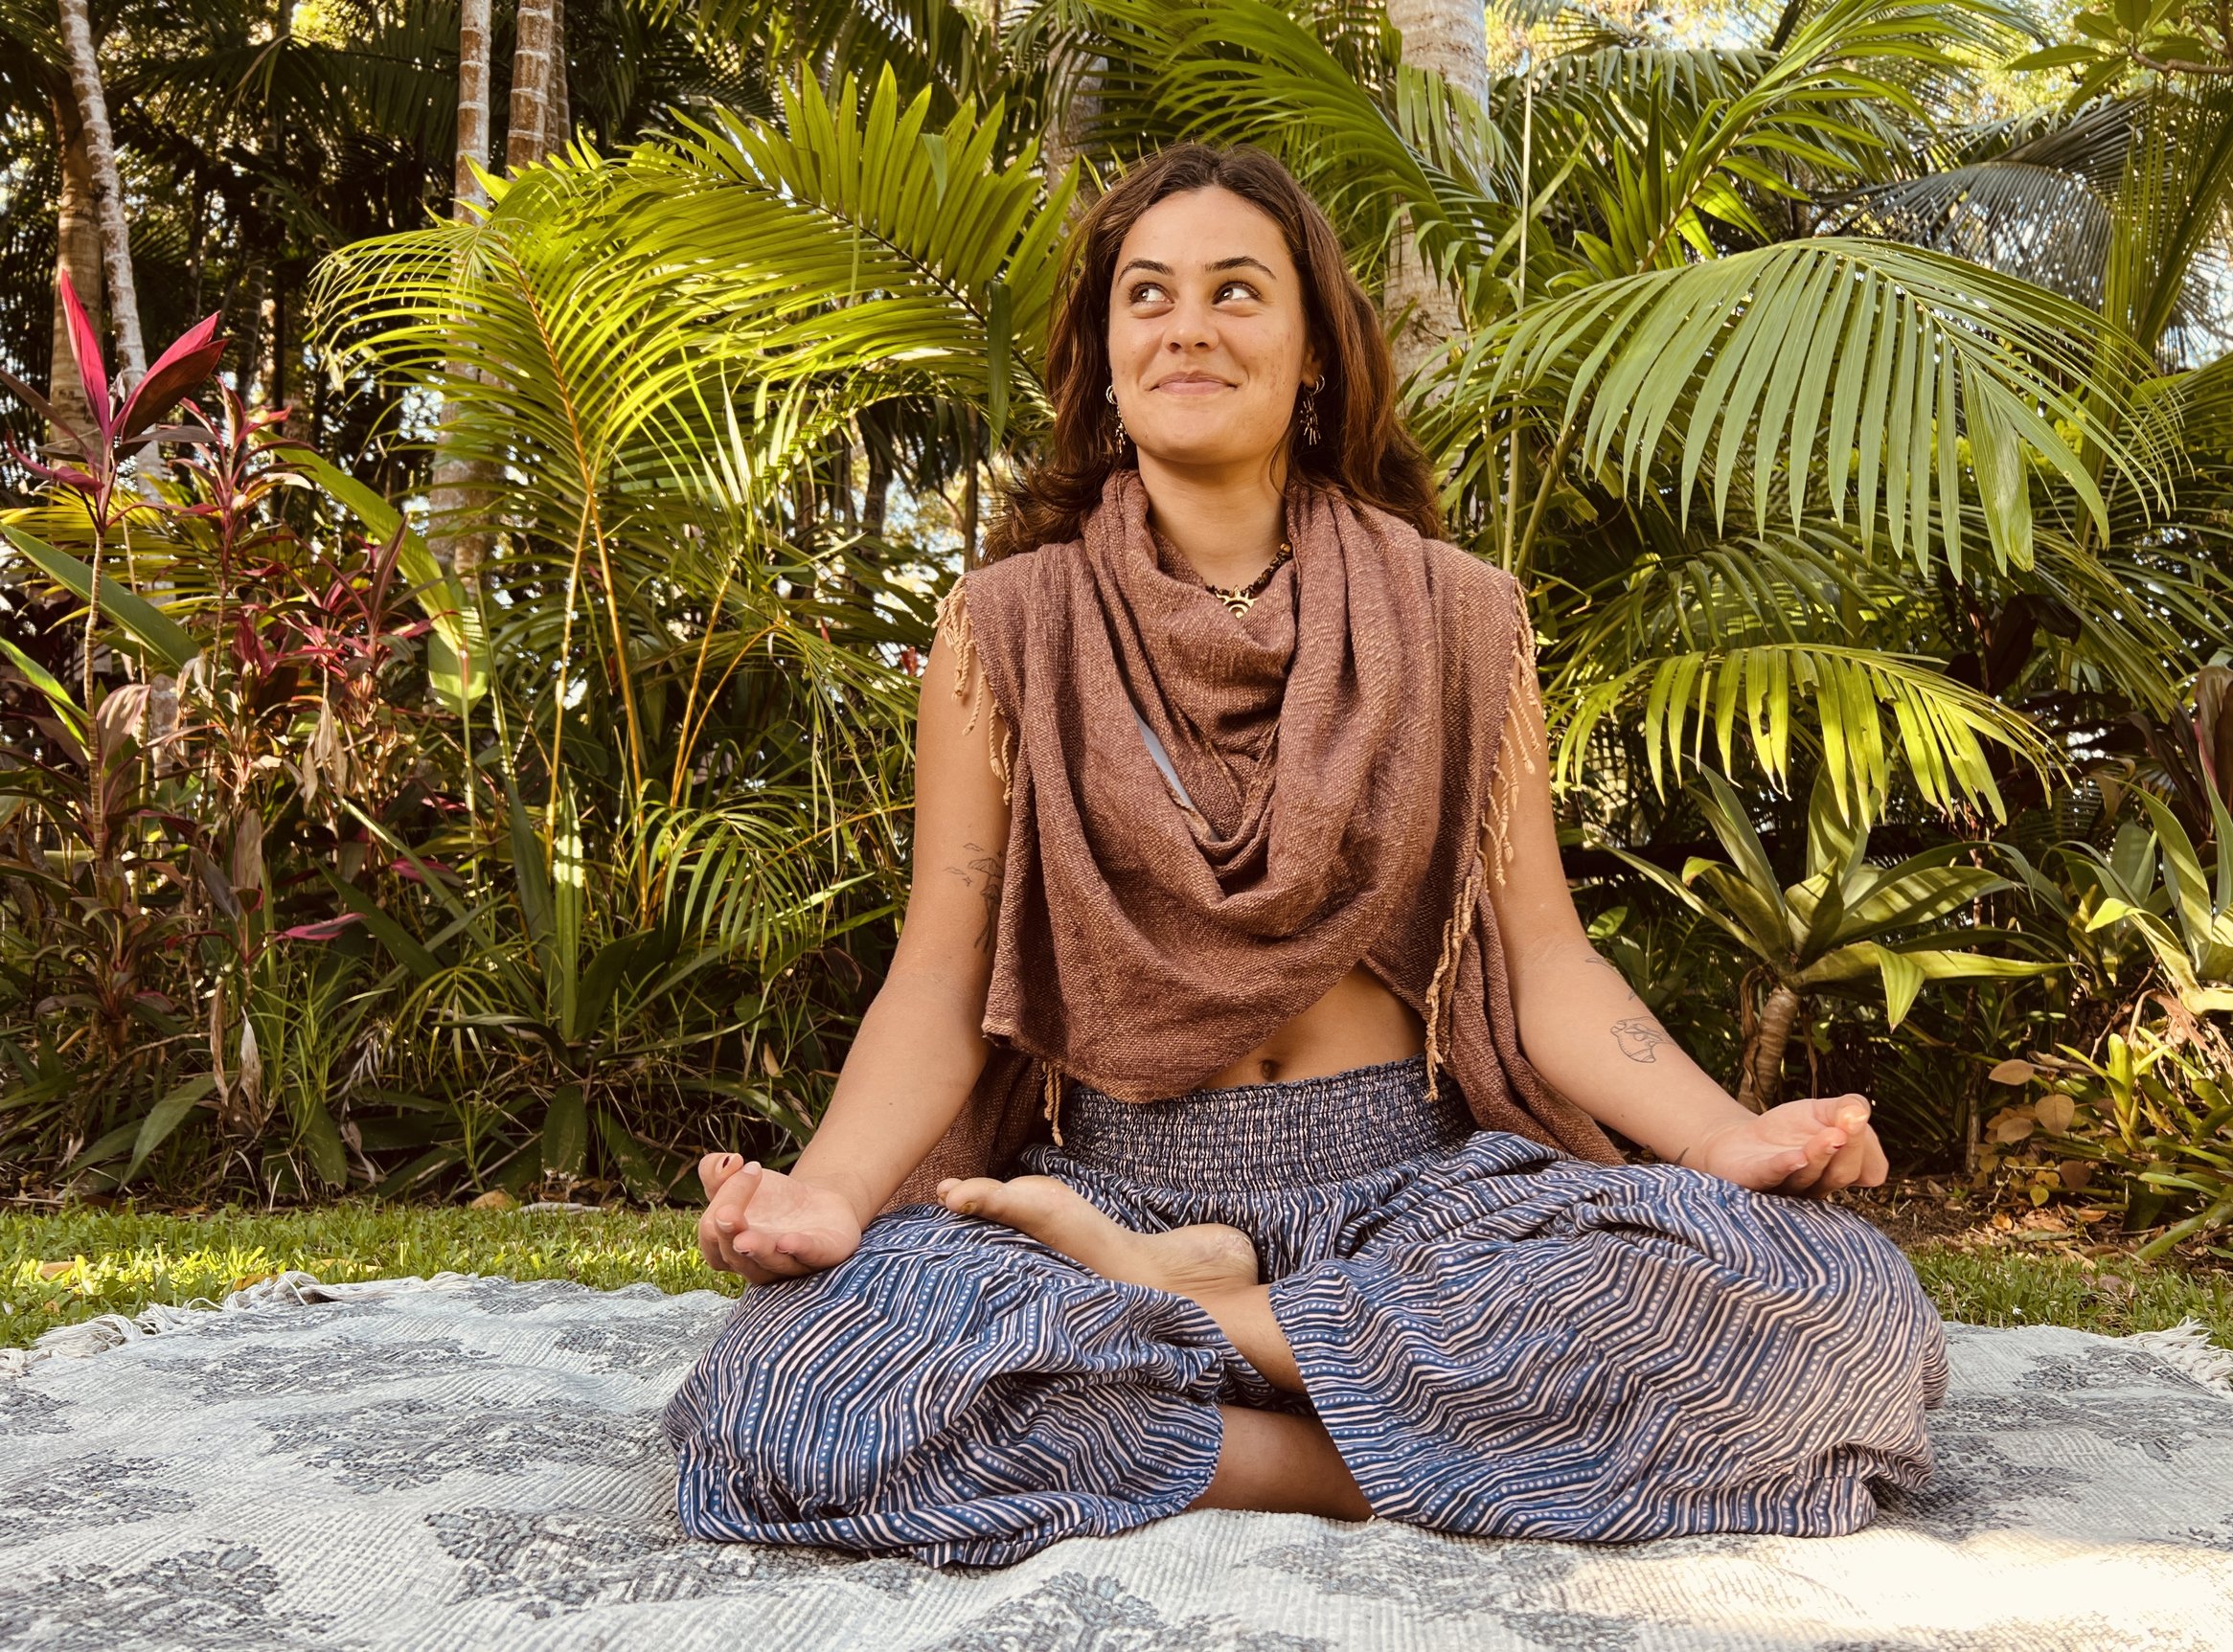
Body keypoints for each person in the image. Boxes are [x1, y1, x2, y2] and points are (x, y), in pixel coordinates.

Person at [663, 142, 1948, 1571]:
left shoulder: (1461, 617)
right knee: (773, 1392)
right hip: (1098, 1197)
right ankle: (1380, 1435)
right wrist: (832, 1196)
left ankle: (1206, 1341)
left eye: (1236, 291)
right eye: (1146, 294)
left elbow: (1544, 964)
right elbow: (940, 967)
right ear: (1102, 353)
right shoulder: (1005, 626)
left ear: (1317, 353)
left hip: (1412, 1194)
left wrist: (1723, 1138)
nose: (1187, 326)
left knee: (1848, 1307)